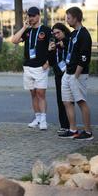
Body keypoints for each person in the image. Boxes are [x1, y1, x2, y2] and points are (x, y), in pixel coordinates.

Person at [11, 7, 51, 130]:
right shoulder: (27, 31)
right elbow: (14, 40)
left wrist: (48, 62)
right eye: (29, 16)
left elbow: (53, 47)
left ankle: (44, 119)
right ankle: (37, 118)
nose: (31, 18)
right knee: (33, 93)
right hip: (28, 66)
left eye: (33, 16)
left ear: (39, 16)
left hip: (41, 67)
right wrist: (24, 27)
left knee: (41, 93)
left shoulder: (46, 30)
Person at [59, 7, 93, 140]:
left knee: (81, 101)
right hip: (68, 73)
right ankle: (73, 129)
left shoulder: (84, 35)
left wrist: (76, 75)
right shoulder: (73, 34)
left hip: (77, 74)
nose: (67, 20)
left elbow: (84, 57)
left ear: (75, 18)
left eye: (68, 18)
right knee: (67, 102)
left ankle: (88, 132)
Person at [48, 23, 71, 134]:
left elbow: (73, 53)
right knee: (60, 100)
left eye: (58, 32)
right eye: (54, 33)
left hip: (70, 74)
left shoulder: (69, 40)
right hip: (59, 75)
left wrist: (64, 45)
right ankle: (64, 125)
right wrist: (51, 50)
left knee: (69, 101)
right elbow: (52, 62)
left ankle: (72, 125)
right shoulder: (55, 45)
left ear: (64, 31)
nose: (56, 35)